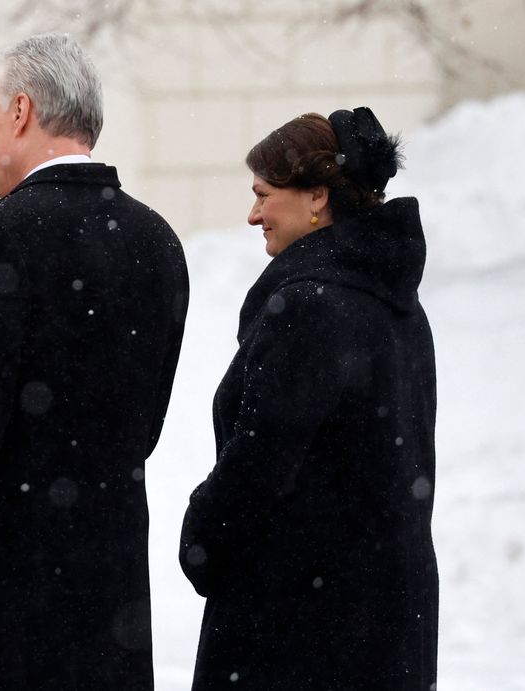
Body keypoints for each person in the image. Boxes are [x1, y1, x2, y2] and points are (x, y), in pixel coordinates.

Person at [0, 33, 189, 690]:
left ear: (21, 112)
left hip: (13, 584)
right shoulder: (157, 240)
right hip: (115, 576)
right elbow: (145, 424)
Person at [179, 108, 438, 690]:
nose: (252, 215)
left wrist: (203, 538)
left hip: (300, 623)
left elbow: (261, 461)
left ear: (317, 195)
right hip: (388, 616)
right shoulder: (398, 303)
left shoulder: (310, 307)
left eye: (264, 194)